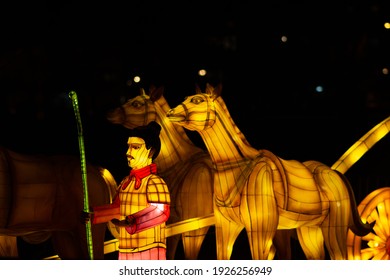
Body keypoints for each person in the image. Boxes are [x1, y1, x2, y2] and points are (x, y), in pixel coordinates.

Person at [85, 121, 170, 260]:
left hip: (149, 248)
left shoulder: (154, 182)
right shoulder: (126, 182)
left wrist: (132, 220)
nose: (128, 152)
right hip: (125, 248)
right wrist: (94, 214)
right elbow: (118, 208)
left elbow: (161, 211)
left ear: (151, 151)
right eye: (128, 147)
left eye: (135, 147)